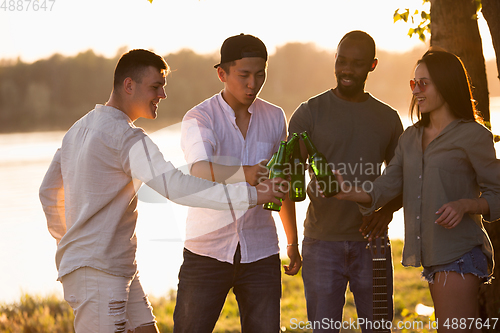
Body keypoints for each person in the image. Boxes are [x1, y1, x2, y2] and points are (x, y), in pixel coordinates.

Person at [39, 49, 286, 333]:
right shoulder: (126, 137)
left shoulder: (78, 129)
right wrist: (253, 195)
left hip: (118, 268)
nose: (162, 96)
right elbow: (177, 187)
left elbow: (48, 192)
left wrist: (69, 243)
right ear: (129, 85)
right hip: (98, 274)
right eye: (155, 87)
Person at [336, 49, 500, 333]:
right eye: (413, 84)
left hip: (461, 254)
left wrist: (466, 205)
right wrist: (348, 192)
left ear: (446, 84)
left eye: (424, 83)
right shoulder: (410, 138)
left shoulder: (473, 135)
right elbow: (388, 185)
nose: (416, 91)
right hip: (434, 257)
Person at [173, 33, 300, 333]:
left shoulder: (275, 117)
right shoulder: (199, 118)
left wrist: (292, 241)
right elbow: (199, 170)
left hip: (262, 253)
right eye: (243, 75)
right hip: (206, 254)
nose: (253, 84)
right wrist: (246, 174)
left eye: (260, 75)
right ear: (222, 73)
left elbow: (280, 185)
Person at [282, 30, 404, 332]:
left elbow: (402, 177)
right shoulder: (308, 113)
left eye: (357, 63)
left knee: (378, 328)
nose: (347, 69)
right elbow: (287, 180)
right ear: (334, 60)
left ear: (372, 66)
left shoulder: (387, 118)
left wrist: (386, 212)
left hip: (372, 244)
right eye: (342, 61)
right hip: (321, 245)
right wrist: (293, 243)